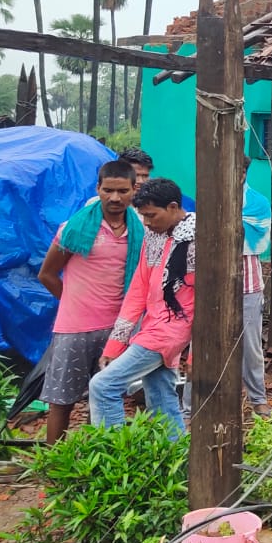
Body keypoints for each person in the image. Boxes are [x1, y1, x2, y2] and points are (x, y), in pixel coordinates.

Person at [37, 160, 145, 444]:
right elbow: (47, 274)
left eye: (122, 190)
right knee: (62, 401)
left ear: (134, 190)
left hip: (118, 330)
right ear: (97, 188)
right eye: (108, 190)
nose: (114, 198)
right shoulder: (74, 228)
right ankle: (53, 468)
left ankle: (97, 464)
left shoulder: (141, 231)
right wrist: (72, 302)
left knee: (106, 397)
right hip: (74, 329)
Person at [88, 179, 196, 437]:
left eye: (151, 215)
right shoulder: (155, 235)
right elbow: (138, 290)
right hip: (154, 326)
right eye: (143, 216)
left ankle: (114, 461)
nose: (146, 222)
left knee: (103, 386)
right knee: (162, 399)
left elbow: (208, 303)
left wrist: (197, 355)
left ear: (172, 207)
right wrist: (115, 344)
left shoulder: (198, 239)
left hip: (167, 333)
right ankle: (177, 466)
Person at [241, 161, 272, 416]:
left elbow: (259, 241)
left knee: (251, 345)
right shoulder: (206, 198)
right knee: (201, 344)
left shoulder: (258, 202)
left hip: (248, 283)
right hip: (209, 282)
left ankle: (257, 398)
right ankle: (190, 403)